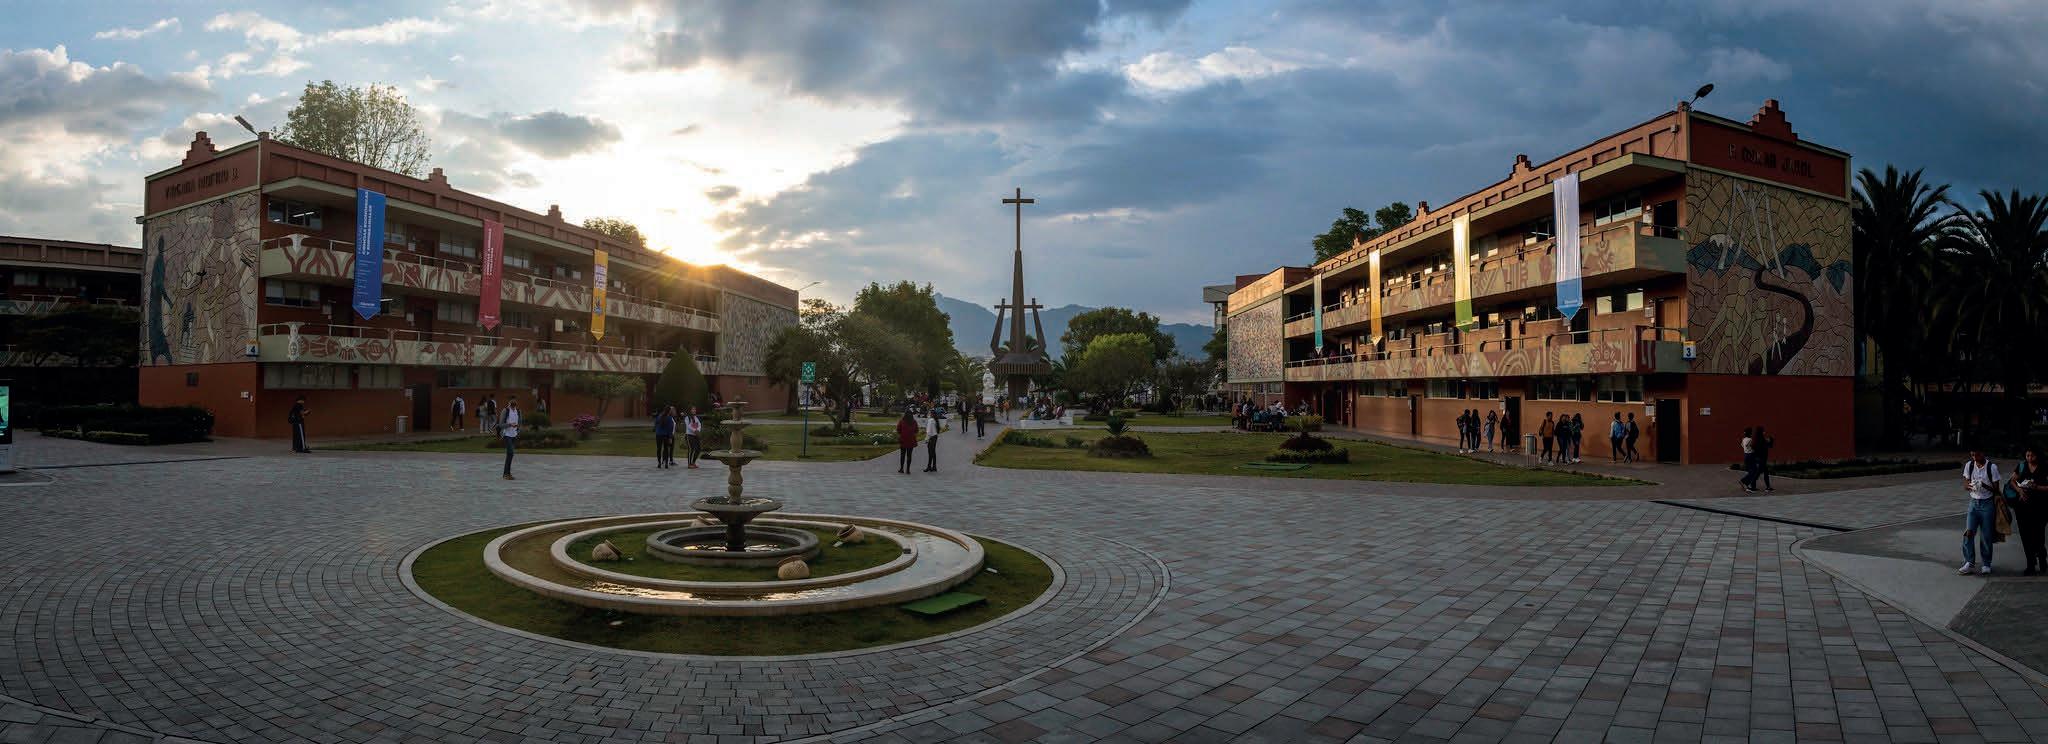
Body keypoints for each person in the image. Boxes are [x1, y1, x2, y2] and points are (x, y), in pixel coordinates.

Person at [1961, 450, 2002, 575]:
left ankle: (1986, 563)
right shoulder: (1969, 465)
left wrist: (1983, 485)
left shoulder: (1992, 467)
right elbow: (1965, 483)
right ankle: (1969, 562)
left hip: (1987, 503)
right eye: (1972, 455)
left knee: (1986, 535)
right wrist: (1970, 486)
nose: (1975, 457)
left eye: (1977, 454)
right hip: (1974, 503)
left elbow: (1996, 489)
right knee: (1968, 532)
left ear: (1983, 453)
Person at [2008, 448, 2047, 575]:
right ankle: (2030, 563)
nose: (2029, 458)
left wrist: (2036, 487)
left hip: (2040, 506)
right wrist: (2019, 490)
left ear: (2038, 456)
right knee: (2025, 535)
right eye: (2027, 455)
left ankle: (2042, 557)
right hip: (2023, 506)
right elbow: (2012, 481)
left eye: (2032, 455)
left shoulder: (2044, 466)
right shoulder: (2022, 466)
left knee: (2038, 534)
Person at [501, 397, 521, 480]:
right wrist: (510, 424)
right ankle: (506, 474)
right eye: (512, 401)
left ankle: (507, 474)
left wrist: (518, 429)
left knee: (510, 455)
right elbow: (501, 424)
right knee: (511, 453)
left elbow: (520, 422)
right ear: (509, 402)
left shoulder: (518, 411)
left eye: (515, 401)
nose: (513, 403)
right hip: (507, 434)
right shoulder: (505, 411)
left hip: (514, 435)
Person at [1754, 426, 1775, 491]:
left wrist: (1769, 441)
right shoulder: (1761, 439)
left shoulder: (1758, 439)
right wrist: (1771, 440)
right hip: (1762, 459)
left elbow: (1768, 445)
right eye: (1763, 431)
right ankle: (1748, 484)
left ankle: (1768, 487)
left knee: (1763, 472)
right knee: (1759, 473)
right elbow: (1768, 446)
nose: (1764, 432)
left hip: (1760, 459)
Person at [923, 407, 943, 472]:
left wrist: (926, 439)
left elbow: (928, 431)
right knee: (933, 452)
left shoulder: (930, 420)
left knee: (930, 453)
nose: (928, 414)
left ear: (931, 414)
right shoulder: (935, 420)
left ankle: (929, 466)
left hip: (931, 438)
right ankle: (934, 466)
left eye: (929, 413)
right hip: (935, 436)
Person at [1739, 427, 1758, 492]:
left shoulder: (1743, 439)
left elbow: (1742, 445)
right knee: (1754, 471)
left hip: (1746, 455)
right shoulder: (1750, 439)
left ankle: (1746, 485)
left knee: (1751, 470)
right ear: (1750, 433)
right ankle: (1743, 481)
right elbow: (1749, 446)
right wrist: (1752, 449)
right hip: (1750, 455)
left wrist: (1746, 449)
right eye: (1751, 432)